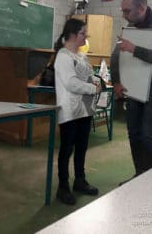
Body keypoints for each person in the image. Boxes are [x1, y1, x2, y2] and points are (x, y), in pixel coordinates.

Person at [110, 0, 152, 184]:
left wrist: (134, 49)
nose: (124, 15)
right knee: (134, 132)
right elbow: (115, 57)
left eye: (127, 11)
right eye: (122, 11)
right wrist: (116, 82)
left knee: (148, 133)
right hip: (134, 83)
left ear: (142, 8)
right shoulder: (131, 26)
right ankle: (140, 177)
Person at [54, 18, 101, 205]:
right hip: (70, 111)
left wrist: (95, 81)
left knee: (81, 148)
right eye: (83, 33)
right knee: (67, 149)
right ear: (72, 34)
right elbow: (71, 83)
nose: (85, 37)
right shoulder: (63, 56)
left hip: (85, 110)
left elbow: (89, 76)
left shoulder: (81, 56)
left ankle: (80, 181)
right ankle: (63, 187)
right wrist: (92, 88)